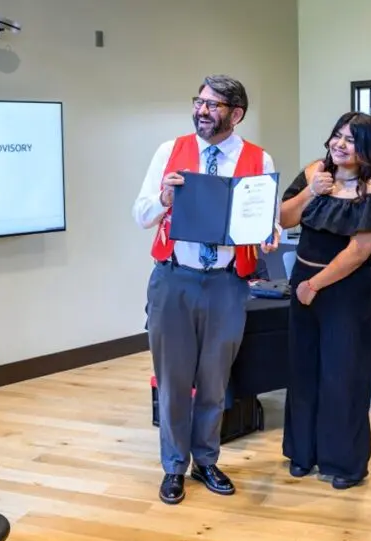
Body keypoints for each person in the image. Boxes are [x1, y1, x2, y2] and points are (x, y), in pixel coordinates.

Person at [132, 74, 279, 505]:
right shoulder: (169, 151)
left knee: (215, 380)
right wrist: (164, 198)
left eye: (213, 105)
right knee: (174, 380)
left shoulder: (259, 159)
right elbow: (141, 215)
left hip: (227, 284)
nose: (201, 110)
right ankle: (174, 466)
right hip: (173, 277)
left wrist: (268, 234)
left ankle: (207, 460)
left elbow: (263, 219)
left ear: (236, 114)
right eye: (199, 101)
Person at [278, 112, 371, 489]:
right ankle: (303, 453)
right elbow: (283, 219)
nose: (340, 144)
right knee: (303, 368)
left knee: (342, 374)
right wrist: (312, 190)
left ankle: (344, 463)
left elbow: (359, 251)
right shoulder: (316, 171)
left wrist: (315, 284)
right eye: (337, 136)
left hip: (343, 290)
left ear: (367, 150)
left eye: (351, 139)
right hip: (302, 281)